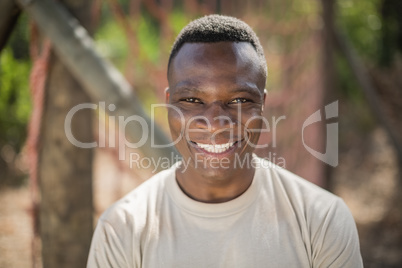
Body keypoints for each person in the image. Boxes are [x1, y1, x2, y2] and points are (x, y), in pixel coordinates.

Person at [87, 14, 363, 268]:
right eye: (192, 100)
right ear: (169, 104)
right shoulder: (121, 229)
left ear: (263, 105)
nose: (216, 123)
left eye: (240, 100)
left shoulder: (323, 220)